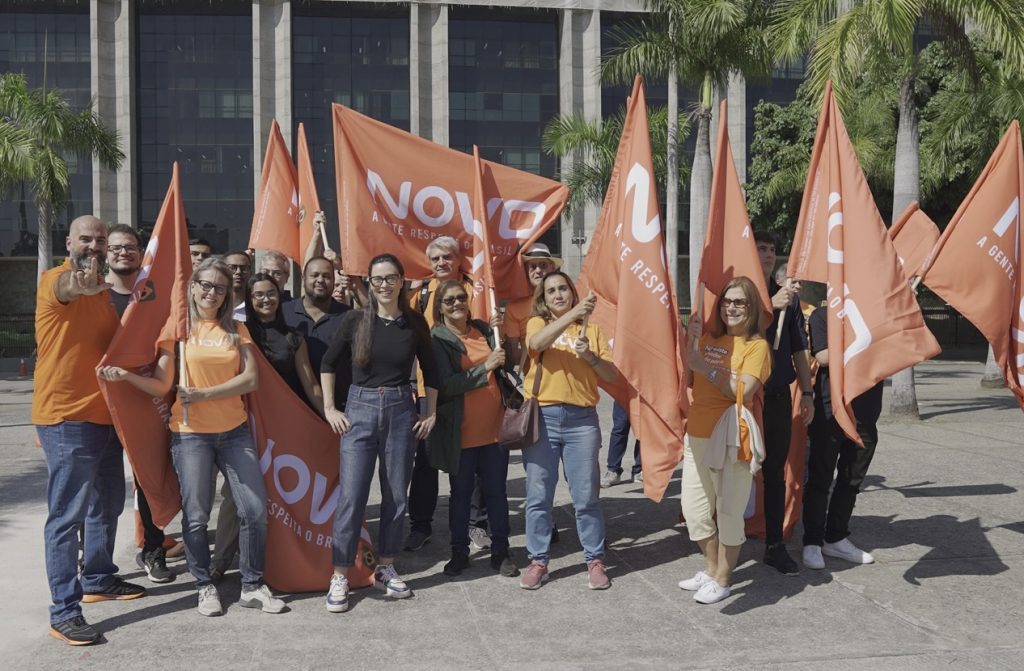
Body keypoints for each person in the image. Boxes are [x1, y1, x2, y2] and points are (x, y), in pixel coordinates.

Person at [97, 257, 285, 617]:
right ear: (193, 287)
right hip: (190, 436)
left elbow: (251, 380)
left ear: (228, 293)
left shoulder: (236, 329)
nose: (212, 293)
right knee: (196, 517)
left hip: (234, 433)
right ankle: (204, 585)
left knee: (255, 511)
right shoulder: (178, 330)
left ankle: (252, 584)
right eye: (206, 285)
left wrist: (205, 395)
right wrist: (125, 377)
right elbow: (162, 383)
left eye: (220, 287)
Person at [35, 215, 147, 646]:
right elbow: (68, 290)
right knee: (67, 517)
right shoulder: (56, 280)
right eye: (87, 238)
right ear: (70, 242)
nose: (95, 244)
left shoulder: (104, 295)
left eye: (100, 239)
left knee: (108, 504)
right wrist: (79, 283)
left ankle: (99, 577)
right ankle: (64, 610)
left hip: (104, 418)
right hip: (66, 418)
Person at [320, 253, 439, 612]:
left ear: (402, 281)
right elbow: (328, 363)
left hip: (402, 410)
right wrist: (329, 408)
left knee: (395, 496)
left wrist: (430, 412)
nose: (384, 285)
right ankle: (340, 573)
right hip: (360, 409)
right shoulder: (356, 320)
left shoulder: (415, 323)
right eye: (377, 279)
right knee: (352, 496)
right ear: (369, 283)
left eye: (390, 278)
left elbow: (431, 372)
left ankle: (385, 566)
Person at [519, 271, 618, 591]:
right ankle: (538, 561)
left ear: (573, 293)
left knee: (586, 496)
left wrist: (589, 355)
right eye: (551, 291)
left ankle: (594, 559)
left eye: (563, 288)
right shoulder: (537, 324)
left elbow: (611, 375)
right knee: (538, 496)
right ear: (543, 299)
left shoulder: (593, 331)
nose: (559, 294)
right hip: (543, 418)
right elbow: (536, 343)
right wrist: (574, 315)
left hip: (582, 421)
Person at [678, 277, 772, 605]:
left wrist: (705, 365)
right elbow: (690, 379)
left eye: (739, 302)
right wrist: (690, 347)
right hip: (697, 435)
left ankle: (723, 579)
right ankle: (710, 567)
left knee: (729, 512)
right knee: (694, 510)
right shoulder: (707, 339)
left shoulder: (757, 346)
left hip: (731, 437)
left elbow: (742, 391)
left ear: (752, 308)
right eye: (726, 302)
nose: (731, 307)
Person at [428, 280, 518, 578]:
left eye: (460, 298)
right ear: (439, 308)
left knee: (496, 494)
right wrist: (486, 367)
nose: (456, 304)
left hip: (494, 432)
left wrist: (501, 336)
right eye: (449, 300)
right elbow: (447, 385)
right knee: (461, 496)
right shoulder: (438, 338)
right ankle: (459, 553)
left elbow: (507, 364)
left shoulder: (483, 329)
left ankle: (501, 552)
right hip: (461, 434)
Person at [105, 224, 178, 584]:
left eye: (131, 247)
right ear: (107, 253)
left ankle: (153, 550)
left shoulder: (151, 297)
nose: (124, 253)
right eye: (117, 248)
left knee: (150, 479)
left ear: (140, 253)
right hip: (101, 406)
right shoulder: (96, 298)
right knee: (101, 488)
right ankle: (94, 557)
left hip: (146, 401)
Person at [405, 236, 474, 552]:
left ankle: (477, 524)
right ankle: (421, 525)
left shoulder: (474, 291)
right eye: (435, 259)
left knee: (472, 456)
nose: (442, 263)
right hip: (426, 388)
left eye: (447, 257)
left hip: (469, 385)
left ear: (459, 259)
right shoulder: (419, 296)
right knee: (426, 460)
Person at [801, 305, 880, 569]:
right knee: (820, 478)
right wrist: (867, 343)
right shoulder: (823, 314)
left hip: (866, 412)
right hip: (830, 410)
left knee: (851, 480)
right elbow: (823, 356)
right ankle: (812, 541)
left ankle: (835, 537)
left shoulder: (879, 315)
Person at [754, 231, 815, 575]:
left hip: (777, 396)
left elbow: (798, 350)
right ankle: (721, 545)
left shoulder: (789, 300)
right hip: (743, 399)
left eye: (771, 249)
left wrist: (806, 394)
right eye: (760, 247)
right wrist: (766, 308)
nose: (766, 253)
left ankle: (774, 544)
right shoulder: (738, 293)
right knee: (732, 472)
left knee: (774, 473)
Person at [503, 242, 563, 543]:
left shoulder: (564, 299)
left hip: (572, 397)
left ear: (553, 268)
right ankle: (545, 521)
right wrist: (506, 338)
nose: (538, 269)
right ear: (525, 271)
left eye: (544, 264)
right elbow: (515, 359)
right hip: (536, 395)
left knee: (576, 474)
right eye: (532, 266)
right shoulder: (515, 308)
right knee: (538, 469)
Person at [246, 273, 324, 413]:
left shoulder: (294, 337)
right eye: (259, 295)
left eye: (271, 293)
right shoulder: (240, 332)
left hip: (284, 414)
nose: (266, 299)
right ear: (250, 299)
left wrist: (328, 415)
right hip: (248, 415)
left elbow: (310, 385)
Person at [601, 402, 643, 488]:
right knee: (620, 428)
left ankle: (639, 470)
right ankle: (613, 470)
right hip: (624, 392)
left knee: (642, 430)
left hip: (643, 393)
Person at [223, 251, 251, 321]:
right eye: (232, 268)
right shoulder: (214, 304)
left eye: (243, 268)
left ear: (250, 272)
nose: (238, 272)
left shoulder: (256, 306)